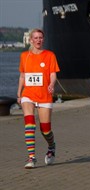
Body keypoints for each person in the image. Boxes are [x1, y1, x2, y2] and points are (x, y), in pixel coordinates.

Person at [17, 28, 60, 169]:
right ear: (31, 40)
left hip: (44, 95)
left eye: (40, 38)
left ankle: (51, 146)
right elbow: (22, 76)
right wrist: (19, 93)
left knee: (45, 129)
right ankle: (31, 158)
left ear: (43, 39)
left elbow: (53, 74)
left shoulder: (49, 55)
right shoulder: (25, 56)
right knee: (29, 124)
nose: (38, 40)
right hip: (28, 94)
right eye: (35, 38)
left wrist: (52, 84)